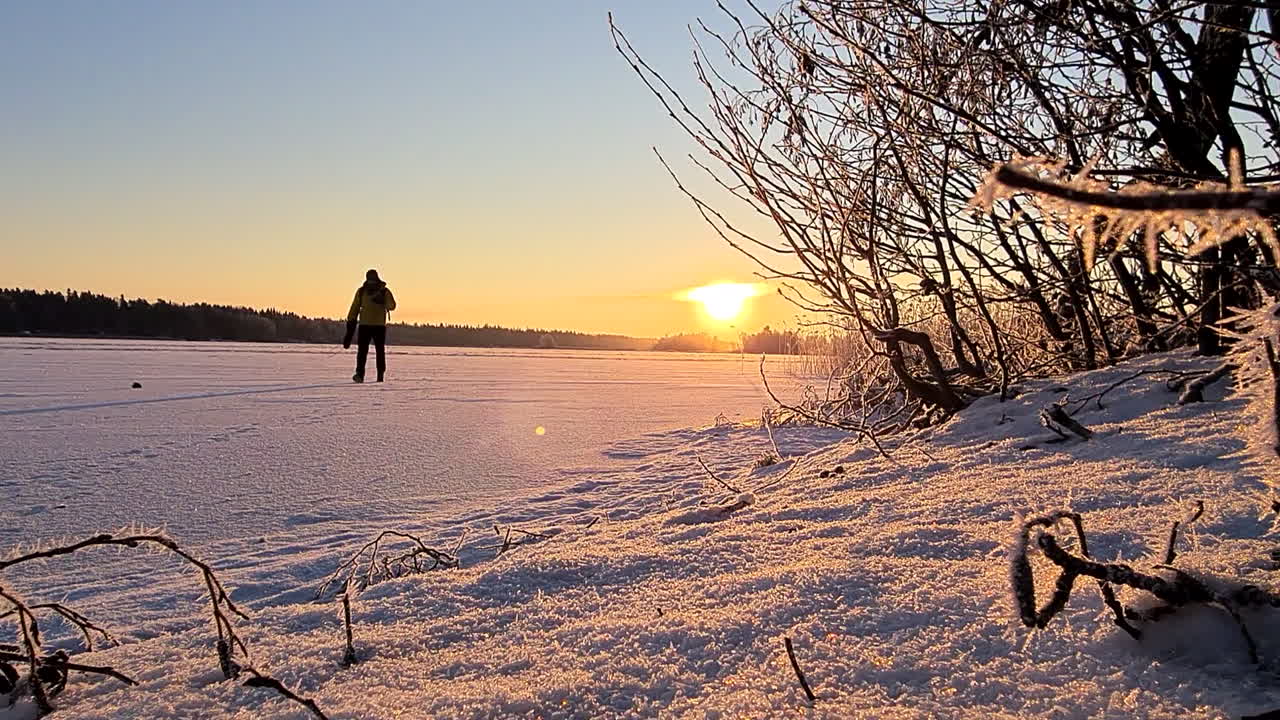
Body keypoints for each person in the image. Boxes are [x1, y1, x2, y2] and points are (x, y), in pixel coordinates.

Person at [343, 269, 396, 383]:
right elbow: (355, 307)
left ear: (376, 278)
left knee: (379, 351)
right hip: (364, 325)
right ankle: (359, 374)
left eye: (373, 278)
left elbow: (392, 306)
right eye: (369, 278)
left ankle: (380, 375)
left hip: (379, 326)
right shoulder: (361, 292)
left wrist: (383, 301)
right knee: (362, 351)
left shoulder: (384, 291)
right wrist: (351, 321)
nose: (371, 281)